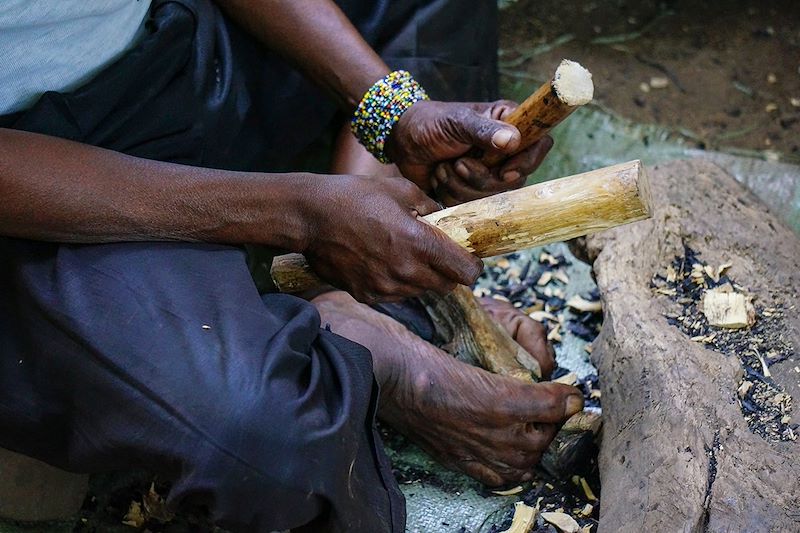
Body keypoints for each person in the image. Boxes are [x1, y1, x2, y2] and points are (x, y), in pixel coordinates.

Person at [0, 0, 584, 531]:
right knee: (258, 438)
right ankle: (354, 343)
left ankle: (349, 289)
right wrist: (297, 213)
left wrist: (392, 112)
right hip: (40, 189)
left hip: (173, 51)